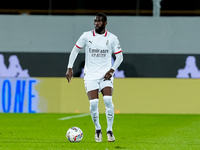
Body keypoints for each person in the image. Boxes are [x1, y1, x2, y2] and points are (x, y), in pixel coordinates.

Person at [66, 13, 123, 142]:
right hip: (90, 76)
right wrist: (70, 67)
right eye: (95, 21)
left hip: (105, 76)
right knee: (93, 104)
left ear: (105, 23)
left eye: (99, 21)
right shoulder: (86, 36)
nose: (96, 23)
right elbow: (75, 50)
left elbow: (120, 56)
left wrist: (112, 70)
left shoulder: (112, 38)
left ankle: (109, 130)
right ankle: (98, 129)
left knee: (108, 100)